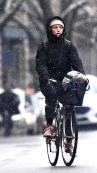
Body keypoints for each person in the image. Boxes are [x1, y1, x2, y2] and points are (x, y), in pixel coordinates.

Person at [35, 16, 84, 152]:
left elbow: (76, 62)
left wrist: (82, 76)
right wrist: (45, 76)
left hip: (65, 80)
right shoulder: (44, 47)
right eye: (55, 27)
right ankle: (49, 126)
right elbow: (40, 64)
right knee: (51, 96)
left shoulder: (68, 46)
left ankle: (69, 141)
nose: (58, 30)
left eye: (60, 27)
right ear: (50, 30)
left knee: (69, 106)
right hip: (48, 80)